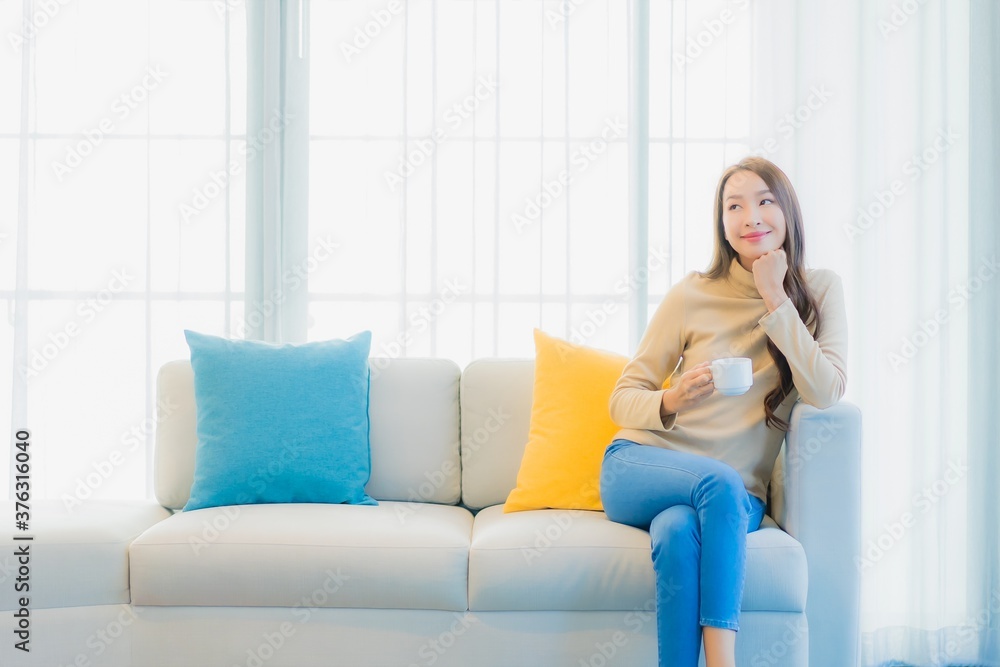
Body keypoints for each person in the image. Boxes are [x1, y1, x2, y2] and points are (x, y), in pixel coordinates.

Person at [601, 156, 848, 667]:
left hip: (735, 493)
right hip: (639, 465)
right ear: (722, 224)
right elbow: (622, 397)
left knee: (675, 532)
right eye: (734, 206)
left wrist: (774, 296)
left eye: (764, 201)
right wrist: (671, 400)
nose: (750, 216)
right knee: (716, 484)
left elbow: (826, 390)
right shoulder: (692, 294)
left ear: (788, 212)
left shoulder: (818, 290)